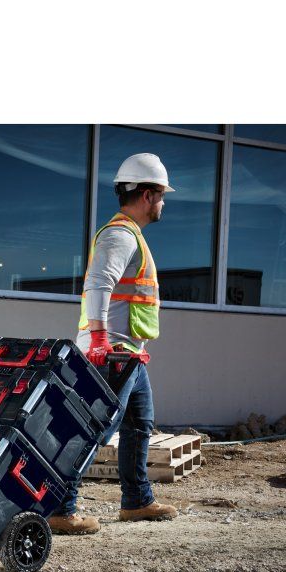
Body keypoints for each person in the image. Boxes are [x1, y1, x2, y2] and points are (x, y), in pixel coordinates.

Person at [48, 153, 179, 535]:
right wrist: (100, 340)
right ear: (148, 194)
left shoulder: (130, 235)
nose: (163, 202)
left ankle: (137, 501)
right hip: (111, 354)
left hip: (129, 354)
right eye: (161, 195)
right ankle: (60, 508)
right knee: (94, 430)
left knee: (139, 425)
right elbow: (98, 284)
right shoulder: (119, 235)